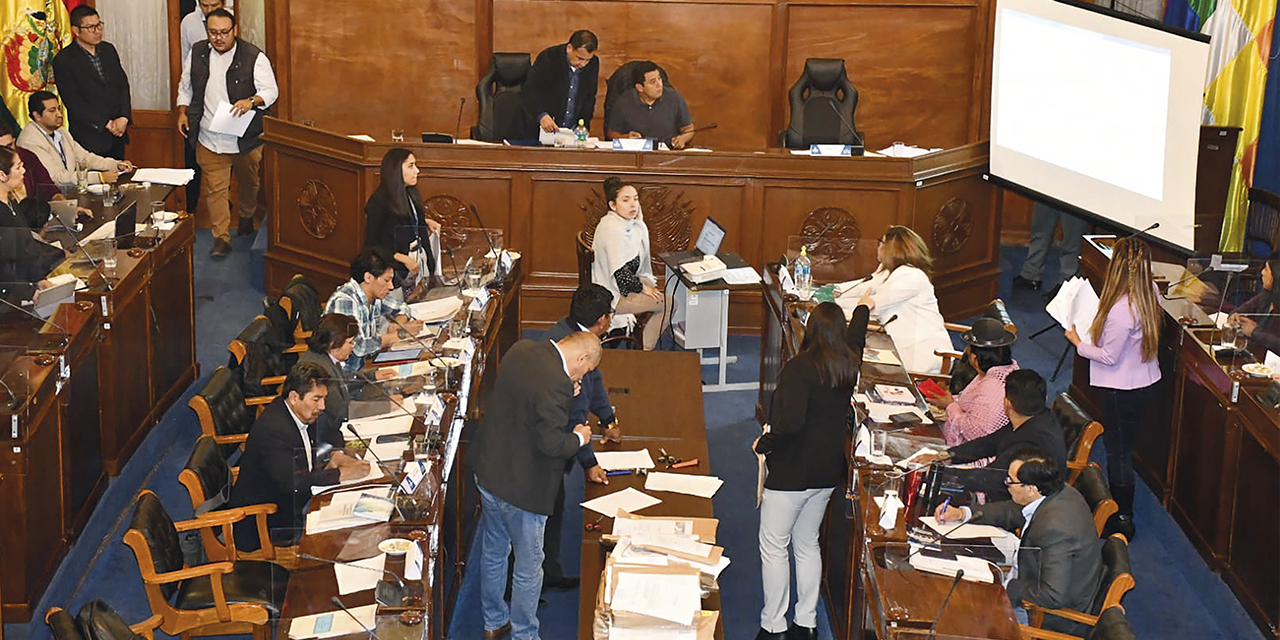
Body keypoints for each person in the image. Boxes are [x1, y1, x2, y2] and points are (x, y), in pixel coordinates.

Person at [471, 332, 602, 640]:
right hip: (523, 490)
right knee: (530, 567)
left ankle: (492, 622)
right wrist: (581, 437)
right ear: (582, 359)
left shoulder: (521, 350)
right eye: (584, 372)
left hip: (489, 471)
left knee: (494, 551)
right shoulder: (557, 383)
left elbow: (527, 401)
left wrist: (563, 392)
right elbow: (553, 444)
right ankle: (525, 635)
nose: (581, 378)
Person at [754, 301, 868, 640]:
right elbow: (857, 339)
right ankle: (805, 623)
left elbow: (789, 423)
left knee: (774, 545)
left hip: (792, 471)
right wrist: (863, 308)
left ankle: (773, 625)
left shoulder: (798, 369)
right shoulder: (848, 366)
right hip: (826, 471)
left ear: (811, 329)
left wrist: (764, 444)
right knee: (807, 544)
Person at [936, 449, 1103, 625]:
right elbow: (1011, 510)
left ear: (1031, 489)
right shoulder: (1054, 492)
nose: (1006, 484)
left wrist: (1010, 588)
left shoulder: (1055, 528)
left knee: (954, 612)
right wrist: (963, 513)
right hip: (1027, 581)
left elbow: (1053, 596)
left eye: (1010, 481)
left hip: (1041, 615)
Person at [1065, 236, 1160, 540]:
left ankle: (1122, 518)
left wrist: (1079, 344)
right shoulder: (1150, 293)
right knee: (1125, 449)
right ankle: (1122, 511)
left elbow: (1108, 355)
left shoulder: (1121, 310)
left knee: (1118, 453)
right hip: (1144, 383)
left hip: (1121, 389)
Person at [226, 361, 372, 551]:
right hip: (272, 523)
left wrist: (334, 455)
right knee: (353, 535)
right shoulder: (274, 431)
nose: (323, 406)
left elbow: (323, 439)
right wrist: (340, 474)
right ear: (294, 397)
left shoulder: (298, 412)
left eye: (324, 398)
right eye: (317, 399)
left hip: (298, 502)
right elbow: (292, 484)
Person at [537, 283, 620, 591]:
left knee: (554, 505)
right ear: (602, 320)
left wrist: (609, 418)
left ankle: (548, 568)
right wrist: (589, 462)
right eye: (610, 314)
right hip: (551, 443)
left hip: (560, 438)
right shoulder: (572, 347)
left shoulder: (578, 335)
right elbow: (574, 414)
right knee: (549, 508)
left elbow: (594, 383)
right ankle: (544, 574)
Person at [176, 7, 278, 257]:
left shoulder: (254, 56)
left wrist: (251, 101)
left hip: (246, 137)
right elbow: (185, 85)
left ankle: (245, 216)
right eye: (213, 33)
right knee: (215, 189)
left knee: (249, 183)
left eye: (224, 32)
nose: (218, 38)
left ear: (234, 30)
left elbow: (271, 91)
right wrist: (182, 111)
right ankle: (221, 237)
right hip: (210, 135)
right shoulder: (197, 52)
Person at [924, 369, 1067, 501]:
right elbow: (988, 443)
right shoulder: (1032, 417)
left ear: (1007, 403)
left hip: (1018, 506)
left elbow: (991, 478)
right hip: (1005, 491)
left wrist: (939, 473)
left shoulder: (1031, 442)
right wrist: (944, 457)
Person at [843, 225, 952, 373]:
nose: (878, 247)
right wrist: (832, 292)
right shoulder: (888, 271)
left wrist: (834, 306)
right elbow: (863, 288)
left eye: (881, 242)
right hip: (902, 347)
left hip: (923, 355)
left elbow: (872, 306)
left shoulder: (911, 276)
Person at [590, 176, 668, 350]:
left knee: (655, 292)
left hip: (618, 286)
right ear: (612, 205)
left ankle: (640, 341)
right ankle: (644, 350)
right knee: (670, 305)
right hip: (613, 295)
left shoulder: (621, 224)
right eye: (626, 200)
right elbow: (623, 280)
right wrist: (644, 289)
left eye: (636, 199)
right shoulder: (614, 230)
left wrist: (639, 223)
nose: (633, 205)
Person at [324, 247, 423, 373]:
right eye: (386, 280)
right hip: (344, 377)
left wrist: (399, 324)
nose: (391, 286)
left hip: (365, 368)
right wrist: (398, 335)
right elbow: (359, 346)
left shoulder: (375, 295)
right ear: (368, 277)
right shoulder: (346, 301)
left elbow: (403, 308)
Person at [52, 6, 132, 160]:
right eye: (90, 27)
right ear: (76, 30)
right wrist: (105, 123)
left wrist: (124, 117)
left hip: (117, 135)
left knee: (120, 178)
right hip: (90, 137)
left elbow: (122, 85)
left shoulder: (108, 50)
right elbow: (73, 101)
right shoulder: (64, 60)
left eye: (98, 25)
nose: (97, 31)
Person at [928, 317, 1018, 449]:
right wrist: (950, 400)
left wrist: (950, 405)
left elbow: (975, 433)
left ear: (974, 358)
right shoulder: (1007, 370)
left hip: (971, 455)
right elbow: (974, 403)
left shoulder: (992, 388)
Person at [297, 312, 397, 430]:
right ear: (334, 343)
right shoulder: (318, 370)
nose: (353, 346)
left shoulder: (324, 357)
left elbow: (342, 381)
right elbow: (341, 411)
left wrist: (372, 375)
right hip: (326, 430)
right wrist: (386, 406)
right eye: (350, 342)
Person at [364, 148, 441, 292]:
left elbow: (406, 221)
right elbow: (371, 246)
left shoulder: (410, 193)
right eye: (411, 166)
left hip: (418, 265)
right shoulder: (378, 202)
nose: (417, 171)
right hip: (395, 273)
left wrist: (424, 222)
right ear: (395, 170)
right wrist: (401, 258)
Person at [17, 91, 130, 189]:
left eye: (59, 109)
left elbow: (85, 158)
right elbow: (56, 177)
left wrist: (116, 165)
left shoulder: (60, 131)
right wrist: (98, 177)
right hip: (50, 196)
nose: (59, 114)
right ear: (37, 116)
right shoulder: (30, 140)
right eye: (52, 111)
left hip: (70, 189)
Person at [179, 0, 229, 215]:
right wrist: (183, 110)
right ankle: (191, 209)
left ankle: (225, 203)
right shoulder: (189, 22)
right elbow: (185, 73)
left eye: (214, 4)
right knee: (194, 160)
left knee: (228, 160)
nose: (209, 10)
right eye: (205, 5)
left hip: (229, 106)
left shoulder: (232, 20)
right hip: (199, 106)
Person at [0, 148, 63, 286]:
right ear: (2, 175)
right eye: (18, 167)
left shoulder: (11, 203)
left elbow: (26, 246)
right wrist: (29, 292)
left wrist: (38, 279)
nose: (24, 171)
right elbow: (5, 265)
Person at [523, 30, 600, 134]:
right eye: (579, 58)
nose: (583, 64)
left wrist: (584, 125)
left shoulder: (593, 64)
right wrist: (541, 115)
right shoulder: (549, 58)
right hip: (542, 129)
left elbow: (589, 98)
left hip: (572, 132)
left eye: (587, 60)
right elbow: (530, 91)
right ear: (569, 48)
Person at [606, 61, 696, 149]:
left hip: (668, 155)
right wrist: (626, 137)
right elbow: (611, 134)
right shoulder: (623, 102)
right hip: (636, 155)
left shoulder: (674, 98)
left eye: (659, 79)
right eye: (653, 82)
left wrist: (683, 139)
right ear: (640, 87)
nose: (659, 85)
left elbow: (688, 129)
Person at [1013, 202, 1088, 299]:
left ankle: (1067, 284)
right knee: (1040, 230)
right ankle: (1031, 274)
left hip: (1076, 193)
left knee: (1072, 239)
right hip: (1049, 189)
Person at [1227, 250, 1280, 354]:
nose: (1262, 272)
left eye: (1266, 269)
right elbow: (1242, 309)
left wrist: (1254, 332)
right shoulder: (1266, 295)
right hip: (1252, 354)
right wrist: (1235, 317)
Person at [0, 121, 59, 202]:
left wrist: (63, 204)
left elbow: (47, 188)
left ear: (14, 141)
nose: (6, 153)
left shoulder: (27, 156)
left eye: (9, 146)